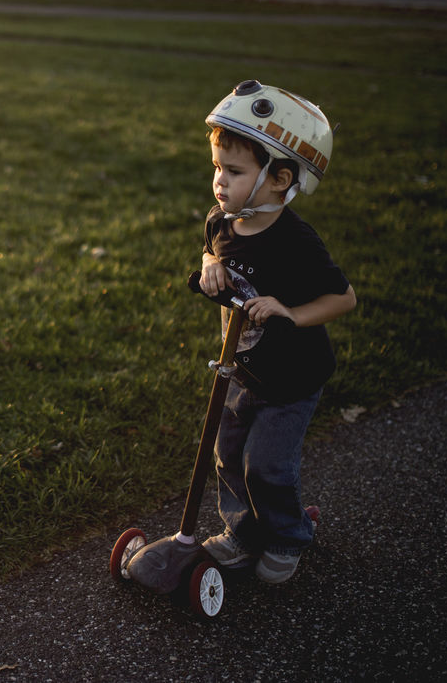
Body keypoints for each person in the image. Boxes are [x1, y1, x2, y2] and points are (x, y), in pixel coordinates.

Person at [188, 78, 357, 584]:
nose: (219, 181)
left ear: (281, 177)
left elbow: (343, 298)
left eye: (234, 171)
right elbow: (211, 254)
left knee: (266, 465)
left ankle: (287, 536)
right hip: (241, 370)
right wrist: (208, 264)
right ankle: (242, 533)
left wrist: (289, 311)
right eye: (217, 167)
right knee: (227, 454)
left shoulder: (296, 243)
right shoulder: (223, 222)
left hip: (291, 379)